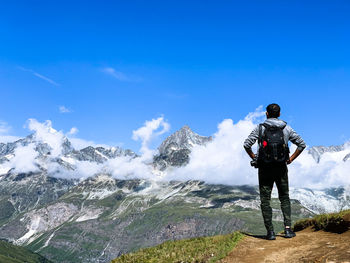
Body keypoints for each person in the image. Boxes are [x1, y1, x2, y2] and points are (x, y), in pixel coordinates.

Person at [243, 103, 306, 240]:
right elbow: (302, 144)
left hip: (264, 168)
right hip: (281, 167)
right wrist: (290, 159)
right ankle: (288, 230)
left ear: (266, 113)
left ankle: (270, 232)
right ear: (279, 114)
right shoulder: (286, 128)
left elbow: (247, 144)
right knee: (284, 197)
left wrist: (254, 157)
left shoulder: (260, 128)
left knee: (265, 199)